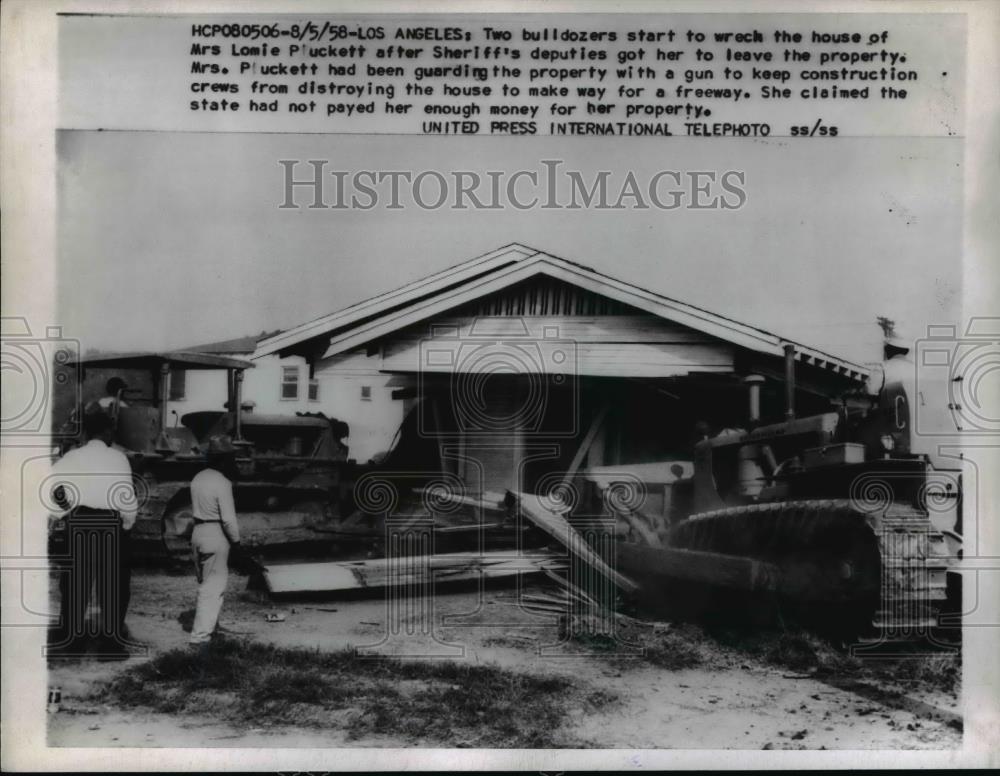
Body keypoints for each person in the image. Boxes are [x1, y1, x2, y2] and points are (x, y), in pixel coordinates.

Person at [48, 407, 138, 660]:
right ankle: (110, 647)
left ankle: (74, 645)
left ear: (86, 432)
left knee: (75, 585)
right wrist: (127, 525)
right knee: (114, 587)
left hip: (79, 523)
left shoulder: (71, 458)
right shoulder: (118, 459)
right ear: (108, 431)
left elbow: (53, 489)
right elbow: (126, 500)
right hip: (110, 525)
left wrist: (66, 512)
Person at [189, 434, 249, 650]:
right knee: (213, 588)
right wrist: (237, 543)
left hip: (197, 532)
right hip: (215, 534)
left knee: (205, 583)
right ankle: (200, 638)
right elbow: (228, 519)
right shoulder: (222, 482)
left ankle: (208, 629)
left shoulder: (197, 478)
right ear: (223, 459)